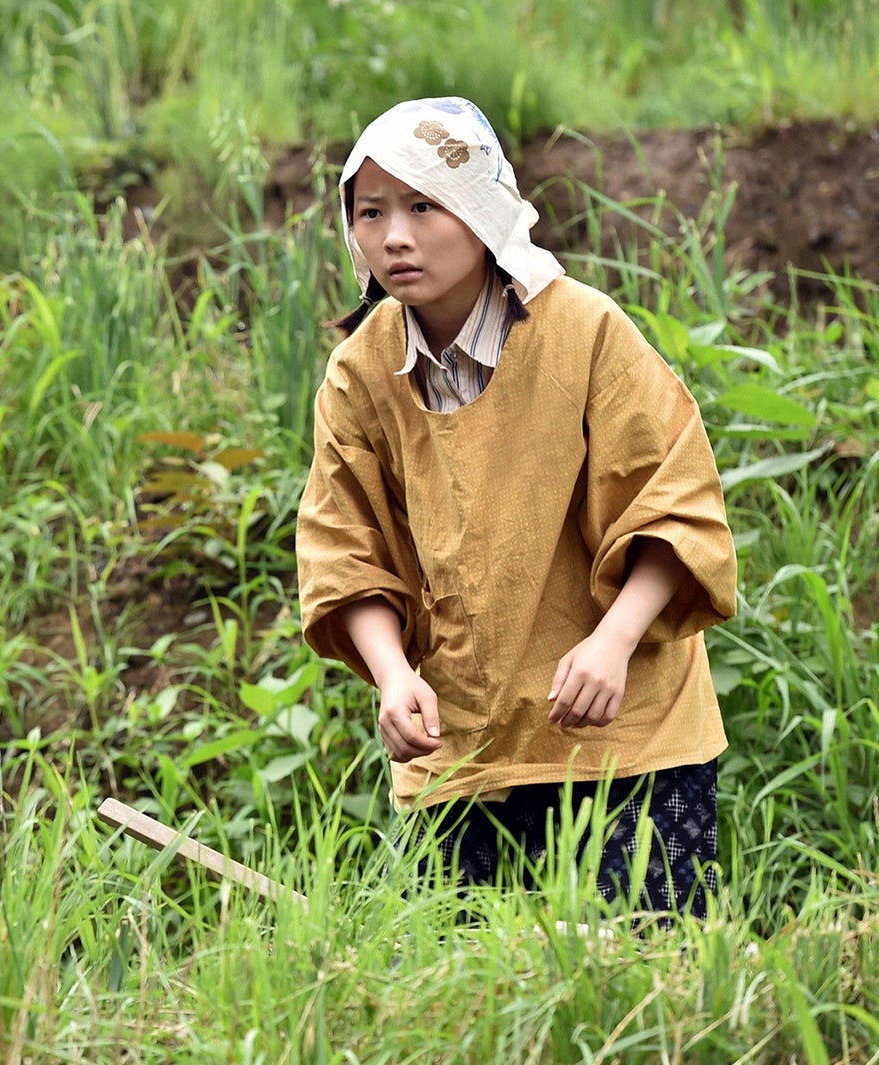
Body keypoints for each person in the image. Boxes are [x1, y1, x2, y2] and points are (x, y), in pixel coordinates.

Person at [296, 97, 737, 917]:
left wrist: (612, 640)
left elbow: (673, 500)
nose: (396, 235)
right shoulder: (360, 371)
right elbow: (342, 546)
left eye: (424, 203)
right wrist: (393, 678)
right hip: (462, 744)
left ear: (483, 206)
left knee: (648, 988)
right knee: (469, 1005)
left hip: (625, 734)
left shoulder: (584, 331)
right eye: (371, 211)